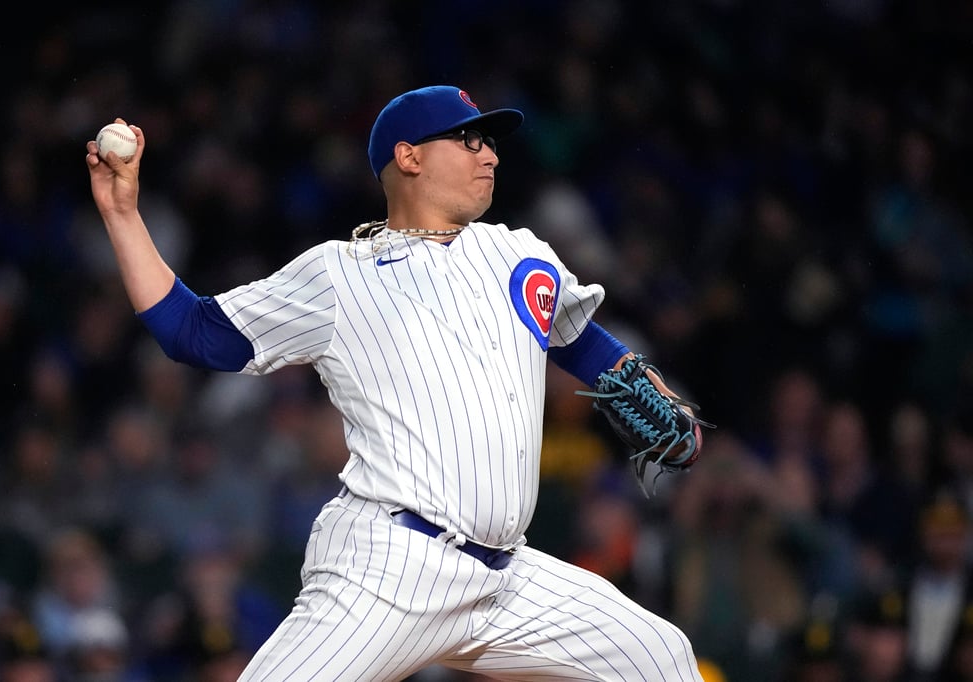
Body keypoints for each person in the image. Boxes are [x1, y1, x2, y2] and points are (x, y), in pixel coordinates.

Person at [86, 84, 705, 680]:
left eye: (489, 141)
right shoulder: (338, 275)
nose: (489, 153)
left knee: (658, 657)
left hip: (505, 578)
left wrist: (645, 383)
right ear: (408, 157)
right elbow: (192, 332)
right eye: (467, 140)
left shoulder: (519, 252)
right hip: (390, 568)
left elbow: (581, 341)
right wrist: (122, 213)